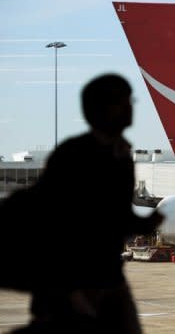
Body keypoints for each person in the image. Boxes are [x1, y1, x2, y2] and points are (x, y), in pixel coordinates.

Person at [9, 73, 163, 333]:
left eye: (130, 101)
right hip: (75, 278)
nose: (129, 109)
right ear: (100, 109)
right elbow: (61, 217)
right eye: (122, 102)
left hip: (107, 274)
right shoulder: (74, 154)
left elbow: (114, 214)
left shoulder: (121, 154)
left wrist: (147, 222)